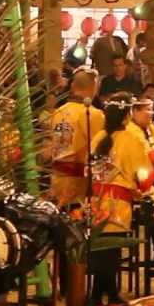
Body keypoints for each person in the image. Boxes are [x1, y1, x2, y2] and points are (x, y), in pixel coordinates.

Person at [88, 93, 154, 306]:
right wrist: (146, 188)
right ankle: (99, 298)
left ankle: (105, 294)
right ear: (127, 114)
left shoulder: (98, 137)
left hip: (96, 202)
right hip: (118, 204)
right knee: (111, 253)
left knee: (102, 251)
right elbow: (142, 173)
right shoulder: (131, 137)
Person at [48, 71, 104, 209]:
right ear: (94, 87)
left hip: (56, 178)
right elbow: (99, 148)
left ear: (73, 86)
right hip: (78, 181)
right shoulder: (92, 114)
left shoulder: (58, 111)